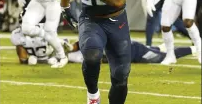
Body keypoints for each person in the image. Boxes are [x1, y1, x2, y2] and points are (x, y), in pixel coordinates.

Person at [11, 27, 195, 65]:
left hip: (128, 50)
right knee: (159, 51)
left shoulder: (82, 47)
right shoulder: (77, 53)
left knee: (162, 57)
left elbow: (76, 47)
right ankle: (166, 48)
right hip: (124, 51)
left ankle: (194, 49)